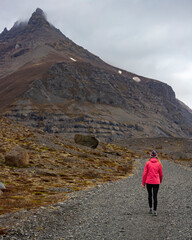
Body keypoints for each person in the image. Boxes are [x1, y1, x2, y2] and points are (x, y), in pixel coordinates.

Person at [142, 150, 163, 216]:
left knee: (150, 195)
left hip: (148, 181)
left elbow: (144, 174)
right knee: (155, 196)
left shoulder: (147, 163)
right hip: (156, 182)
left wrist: (143, 183)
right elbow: (161, 174)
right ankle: (155, 211)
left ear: (151, 156)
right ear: (156, 156)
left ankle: (150, 209)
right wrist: (160, 180)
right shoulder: (159, 164)